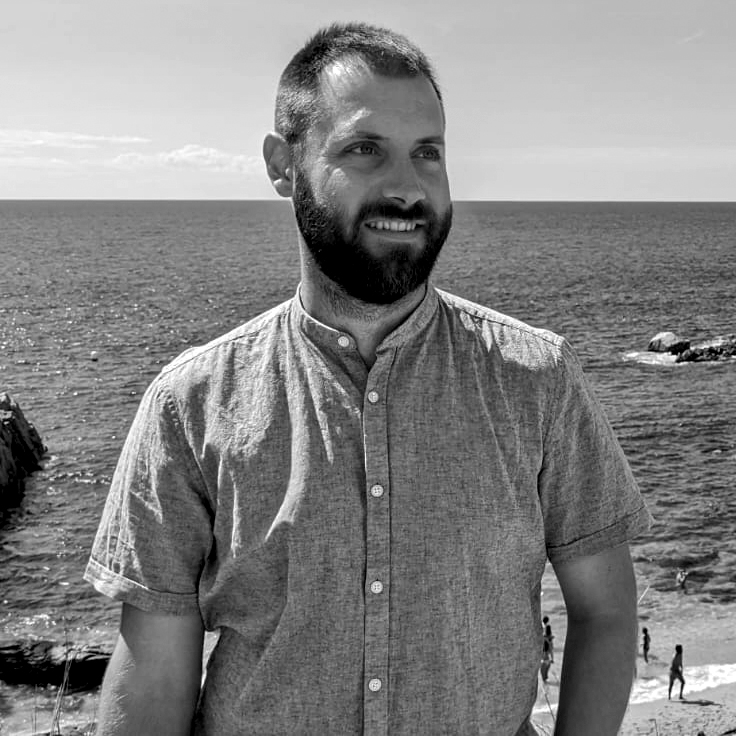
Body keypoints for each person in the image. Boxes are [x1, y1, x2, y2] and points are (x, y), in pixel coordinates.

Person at [84, 21, 652, 736]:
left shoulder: (537, 379)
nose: (407, 188)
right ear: (283, 166)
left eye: (427, 153)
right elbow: (156, 668)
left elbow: (605, 611)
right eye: (364, 149)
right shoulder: (190, 405)